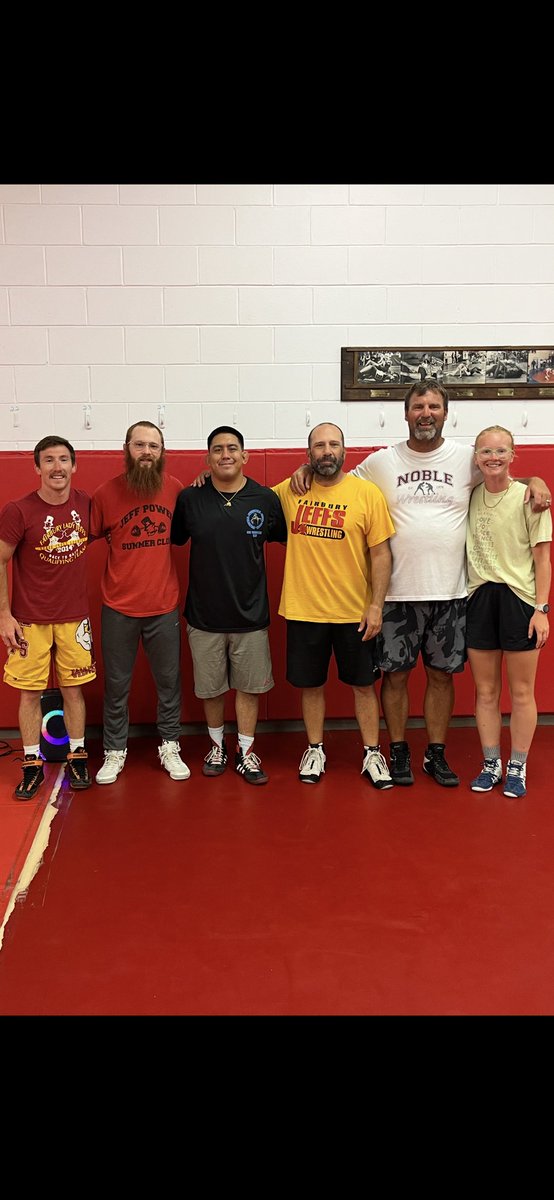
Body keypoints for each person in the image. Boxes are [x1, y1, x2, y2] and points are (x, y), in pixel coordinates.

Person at [290, 382, 551, 788]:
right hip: (396, 593)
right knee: (394, 677)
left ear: (446, 413)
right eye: (417, 406)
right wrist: (307, 468)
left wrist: (537, 480)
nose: (425, 412)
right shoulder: (382, 461)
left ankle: (436, 754)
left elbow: (504, 471)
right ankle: (397, 751)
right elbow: (337, 479)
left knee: (441, 677)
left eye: (433, 406)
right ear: (406, 413)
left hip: (450, 593)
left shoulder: (466, 458)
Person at [273, 422, 395, 788]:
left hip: (354, 612)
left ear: (345, 451)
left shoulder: (366, 493)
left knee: (363, 686)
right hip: (304, 609)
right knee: (311, 686)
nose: (327, 451)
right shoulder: (290, 490)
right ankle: (315, 748)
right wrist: (204, 476)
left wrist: (376, 606)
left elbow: (381, 554)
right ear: (308, 454)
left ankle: (372, 752)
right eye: (319, 446)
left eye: (334, 445)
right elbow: (244, 495)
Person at [171, 426, 287, 786]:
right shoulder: (191, 499)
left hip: (250, 616)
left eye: (232, 448)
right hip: (204, 616)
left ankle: (246, 751)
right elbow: (176, 539)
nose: (226, 455)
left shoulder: (265, 499)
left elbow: (284, 538)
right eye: (218, 449)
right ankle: (217, 746)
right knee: (212, 689)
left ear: (244, 456)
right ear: (207, 459)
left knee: (249, 688)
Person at [90, 421, 190, 784]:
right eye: (139, 445)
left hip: (163, 606)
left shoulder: (176, 490)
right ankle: (115, 751)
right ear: (126, 449)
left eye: (154, 446)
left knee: (169, 682)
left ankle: (170, 745)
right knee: (117, 684)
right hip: (118, 607)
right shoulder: (105, 494)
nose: (146, 451)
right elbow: (79, 539)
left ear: (162, 452)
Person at [0, 436, 95, 799]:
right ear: (37, 467)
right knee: (29, 694)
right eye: (49, 460)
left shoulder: (86, 504)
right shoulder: (18, 510)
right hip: (29, 621)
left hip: (73, 618)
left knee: (73, 690)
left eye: (63, 460)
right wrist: (4, 615)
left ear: (74, 465)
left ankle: (77, 755)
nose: (57, 467)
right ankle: (31, 764)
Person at [466, 426, 552, 798]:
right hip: (480, 599)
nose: (493, 458)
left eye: (501, 451)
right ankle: (491, 763)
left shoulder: (529, 499)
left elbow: (543, 559)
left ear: (513, 455)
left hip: (520, 600)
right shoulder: (469, 496)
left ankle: (517, 766)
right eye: (486, 452)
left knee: (521, 692)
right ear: (476, 457)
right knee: (485, 691)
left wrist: (542, 609)